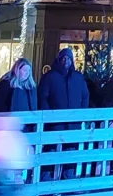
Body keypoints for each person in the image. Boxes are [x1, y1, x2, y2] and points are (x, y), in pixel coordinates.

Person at [38, 48, 89, 180]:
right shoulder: (50, 77)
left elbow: (85, 96)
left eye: (69, 58)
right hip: (55, 122)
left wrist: (81, 114)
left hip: (73, 123)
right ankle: (46, 177)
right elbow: (43, 97)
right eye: (64, 58)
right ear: (59, 59)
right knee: (51, 148)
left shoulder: (78, 77)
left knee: (70, 149)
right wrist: (48, 115)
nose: (66, 61)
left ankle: (68, 176)